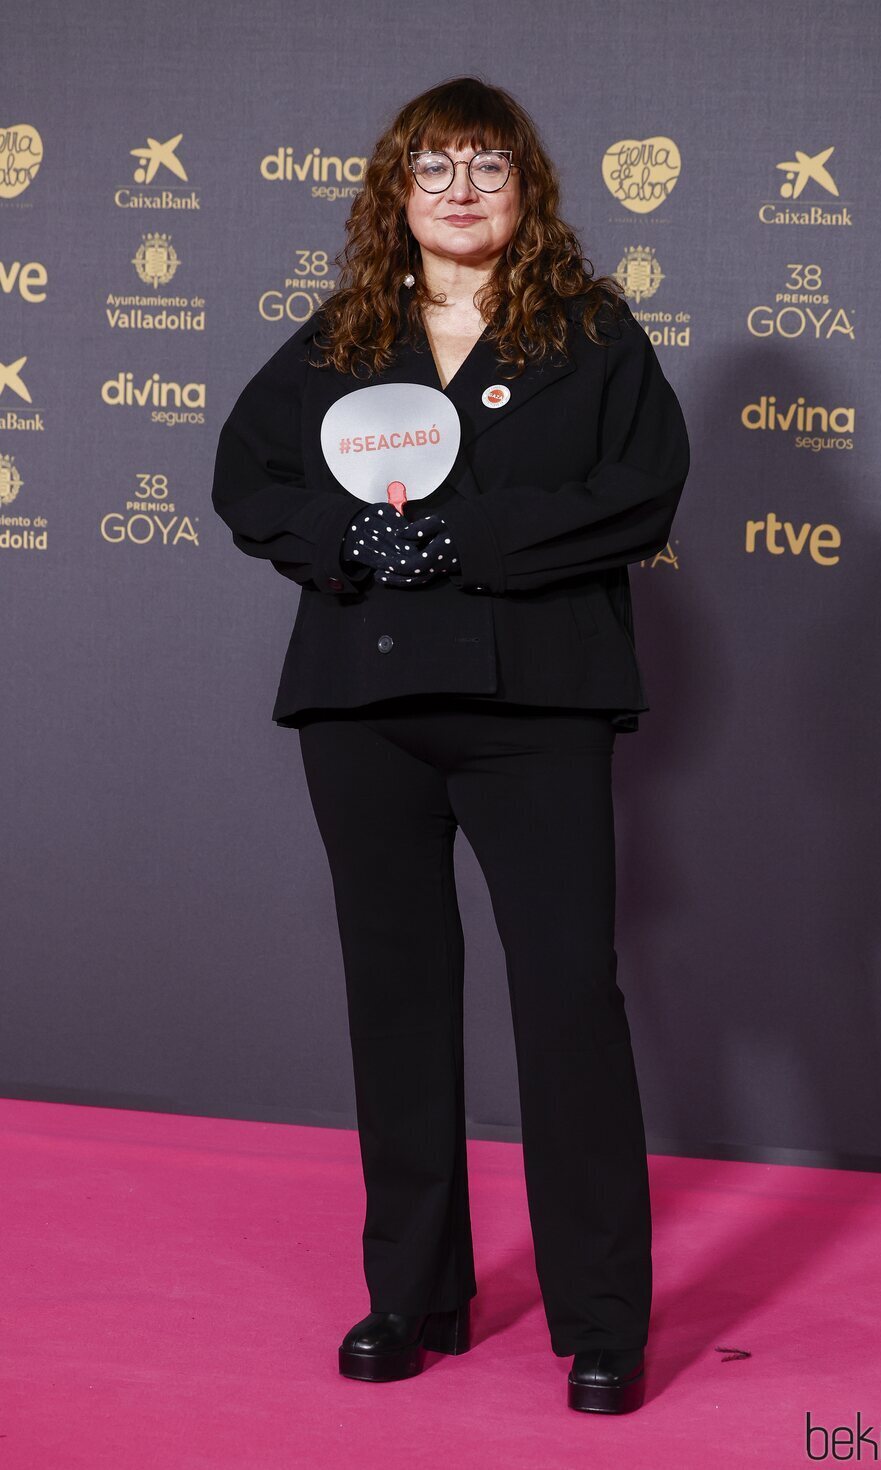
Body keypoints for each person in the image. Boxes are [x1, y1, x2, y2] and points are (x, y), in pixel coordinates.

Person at [211, 75, 690, 1415]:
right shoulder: (344, 332)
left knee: (569, 1008)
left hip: (536, 711)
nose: (463, 190)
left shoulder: (589, 333)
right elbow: (246, 475)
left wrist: (469, 537)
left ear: (524, 190)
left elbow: (644, 487)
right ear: (397, 195)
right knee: (399, 1003)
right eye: (436, 169)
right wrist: (347, 541)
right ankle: (411, 1293)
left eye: (489, 166)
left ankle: (604, 1317)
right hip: (365, 712)